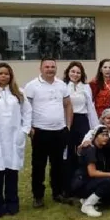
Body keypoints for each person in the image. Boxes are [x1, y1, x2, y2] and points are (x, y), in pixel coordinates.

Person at [0, 63, 32, 218]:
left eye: (7, 74)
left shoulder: (19, 93)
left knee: (12, 171)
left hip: (13, 137)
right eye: (0, 73)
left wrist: (24, 130)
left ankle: (12, 204)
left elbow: (27, 112)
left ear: (11, 76)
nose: (3, 76)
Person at [25, 58, 73, 208]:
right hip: (40, 131)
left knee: (58, 165)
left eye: (53, 67)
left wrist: (68, 126)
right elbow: (26, 108)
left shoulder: (62, 85)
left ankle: (57, 193)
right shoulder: (32, 86)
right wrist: (29, 127)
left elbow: (68, 105)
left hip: (59, 131)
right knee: (38, 165)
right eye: (47, 67)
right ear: (41, 68)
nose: (50, 69)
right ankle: (38, 196)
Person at [63, 61, 100, 198]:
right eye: (73, 71)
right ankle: (67, 187)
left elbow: (90, 107)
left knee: (83, 152)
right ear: (68, 72)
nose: (75, 74)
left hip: (82, 120)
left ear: (82, 74)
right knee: (68, 154)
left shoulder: (86, 87)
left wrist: (95, 127)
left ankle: (83, 184)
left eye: (78, 72)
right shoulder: (63, 87)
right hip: (67, 122)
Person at [89, 59, 110, 129]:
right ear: (100, 69)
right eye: (105, 67)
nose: (108, 70)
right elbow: (91, 102)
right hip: (102, 116)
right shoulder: (94, 83)